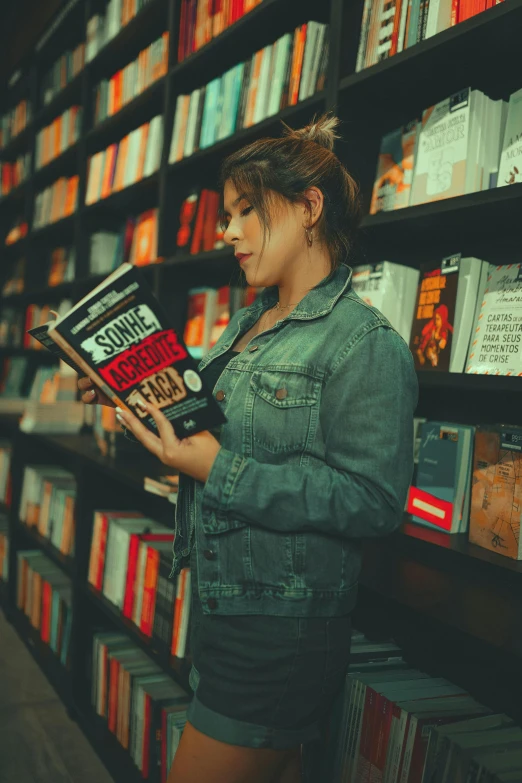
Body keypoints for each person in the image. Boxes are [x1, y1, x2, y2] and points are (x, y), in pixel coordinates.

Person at [78, 114, 418, 783]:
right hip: (221, 610)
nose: (225, 231)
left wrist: (218, 469)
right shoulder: (244, 328)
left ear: (307, 208)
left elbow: (374, 502)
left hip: (279, 632)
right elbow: (199, 434)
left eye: (243, 211)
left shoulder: (365, 342)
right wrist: (134, 402)